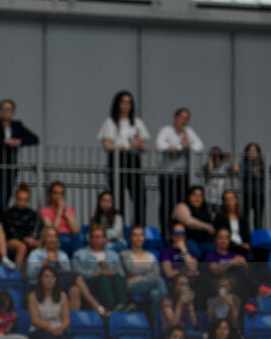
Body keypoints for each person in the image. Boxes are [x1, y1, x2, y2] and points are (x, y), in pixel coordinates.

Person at [0, 98, 38, 220]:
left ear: (13, 112)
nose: (6, 111)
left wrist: (19, 141)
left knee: (5, 200)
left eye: (9, 109)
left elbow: (35, 138)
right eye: (3, 108)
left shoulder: (17, 125)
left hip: (9, 168)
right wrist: (3, 141)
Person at [26, 226, 107, 315]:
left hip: (59, 284)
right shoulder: (36, 253)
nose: (52, 239)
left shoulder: (62, 255)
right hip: (40, 285)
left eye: (54, 236)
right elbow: (31, 274)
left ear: (57, 239)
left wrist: (58, 263)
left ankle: (71, 321)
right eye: (49, 236)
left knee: (75, 290)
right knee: (75, 276)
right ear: (44, 238)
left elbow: (67, 274)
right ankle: (94, 304)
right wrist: (44, 263)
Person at [98, 91, 148, 226]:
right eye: (123, 102)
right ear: (117, 104)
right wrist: (125, 146)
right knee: (117, 197)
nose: (126, 106)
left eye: (129, 103)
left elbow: (144, 144)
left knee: (140, 197)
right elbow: (107, 144)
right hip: (117, 160)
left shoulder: (137, 122)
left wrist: (136, 145)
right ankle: (118, 226)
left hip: (133, 160)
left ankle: (138, 228)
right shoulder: (110, 122)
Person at [155, 108, 203, 237]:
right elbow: (160, 145)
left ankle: (178, 233)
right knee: (166, 204)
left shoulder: (188, 132)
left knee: (181, 204)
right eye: (181, 117)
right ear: (175, 118)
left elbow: (199, 146)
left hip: (182, 175)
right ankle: (165, 233)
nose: (183, 120)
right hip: (167, 174)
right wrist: (175, 147)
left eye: (186, 118)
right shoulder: (166, 130)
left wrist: (189, 146)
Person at [73, 224, 128, 313]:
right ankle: (112, 308)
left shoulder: (113, 254)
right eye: (94, 237)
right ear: (90, 239)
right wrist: (93, 274)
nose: (97, 239)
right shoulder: (80, 254)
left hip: (111, 279)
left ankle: (124, 307)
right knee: (103, 277)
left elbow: (122, 273)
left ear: (105, 239)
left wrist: (114, 272)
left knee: (117, 277)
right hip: (90, 281)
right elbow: (76, 271)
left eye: (100, 237)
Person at [121, 225, 166, 322]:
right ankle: (169, 310)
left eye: (141, 235)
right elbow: (131, 270)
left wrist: (141, 277)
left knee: (155, 294)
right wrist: (147, 270)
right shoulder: (125, 254)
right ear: (130, 238)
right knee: (159, 281)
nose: (138, 238)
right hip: (133, 287)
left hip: (148, 285)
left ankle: (156, 324)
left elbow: (156, 274)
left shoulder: (151, 255)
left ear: (144, 238)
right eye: (135, 235)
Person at [28, 266, 70, 339]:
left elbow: (66, 320)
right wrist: (50, 329)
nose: (49, 280)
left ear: (56, 279)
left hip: (59, 328)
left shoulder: (63, 296)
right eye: (46, 277)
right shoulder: (33, 296)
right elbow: (35, 320)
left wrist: (59, 329)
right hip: (40, 329)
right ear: (41, 279)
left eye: (52, 277)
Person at [0, 184, 39, 270]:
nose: (22, 202)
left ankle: (36, 274)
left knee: (42, 245)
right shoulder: (9, 213)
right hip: (11, 240)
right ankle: (17, 274)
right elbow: (10, 232)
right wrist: (24, 239)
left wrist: (32, 239)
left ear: (28, 200)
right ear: (15, 198)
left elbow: (33, 230)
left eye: (25, 200)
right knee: (22, 247)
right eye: (20, 199)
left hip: (27, 240)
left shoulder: (32, 214)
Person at [160, 273, 203, 339]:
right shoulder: (167, 300)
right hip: (169, 331)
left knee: (203, 338)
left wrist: (190, 304)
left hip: (184, 330)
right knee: (202, 337)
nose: (184, 287)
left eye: (186, 284)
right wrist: (179, 303)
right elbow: (174, 324)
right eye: (181, 284)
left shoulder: (186, 300)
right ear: (175, 286)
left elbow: (194, 323)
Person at [38, 181, 79, 256]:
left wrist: (65, 210)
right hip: (57, 237)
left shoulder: (68, 209)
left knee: (80, 238)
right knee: (64, 239)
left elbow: (76, 230)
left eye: (61, 193)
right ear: (50, 194)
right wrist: (60, 211)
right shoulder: (45, 211)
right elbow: (52, 230)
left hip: (70, 236)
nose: (58, 196)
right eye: (55, 193)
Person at [171, 185, 215, 253]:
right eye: (194, 195)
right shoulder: (182, 206)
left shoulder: (204, 210)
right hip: (187, 240)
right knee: (196, 251)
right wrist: (207, 227)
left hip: (204, 241)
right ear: (189, 196)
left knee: (215, 250)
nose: (198, 198)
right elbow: (188, 221)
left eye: (200, 196)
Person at [213, 190, 251, 257]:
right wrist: (238, 244)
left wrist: (247, 243)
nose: (229, 202)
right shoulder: (220, 217)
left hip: (242, 244)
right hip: (229, 245)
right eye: (227, 200)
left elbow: (247, 234)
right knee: (241, 250)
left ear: (236, 200)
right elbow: (220, 235)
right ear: (224, 202)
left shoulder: (242, 217)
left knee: (263, 251)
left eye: (231, 199)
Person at [203, 147, 239, 213]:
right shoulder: (207, 166)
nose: (217, 159)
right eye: (215, 156)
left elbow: (236, 169)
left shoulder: (224, 167)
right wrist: (212, 156)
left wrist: (229, 157)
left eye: (219, 156)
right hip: (209, 199)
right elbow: (209, 169)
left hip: (221, 200)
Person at [241, 143, 266, 230]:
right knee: (245, 217)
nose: (252, 153)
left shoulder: (262, 164)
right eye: (250, 151)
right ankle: (245, 234)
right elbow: (241, 170)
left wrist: (261, 168)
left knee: (258, 218)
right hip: (247, 193)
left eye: (255, 151)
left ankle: (257, 235)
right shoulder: (244, 164)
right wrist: (252, 171)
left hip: (259, 194)